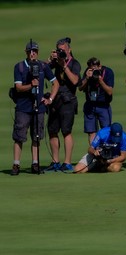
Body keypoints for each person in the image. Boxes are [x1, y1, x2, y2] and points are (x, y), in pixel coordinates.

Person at [10, 41, 59, 176]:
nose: (33, 53)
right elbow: (18, 88)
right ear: (26, 52)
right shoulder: (19, 67)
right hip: (23, 107)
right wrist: (31, 85)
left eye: (35, 51)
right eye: (30, 51)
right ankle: (16, 164)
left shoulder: (43, 66)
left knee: (37, 137)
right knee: (19, 136)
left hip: (39, 107)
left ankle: (35, 163)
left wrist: (50, 99)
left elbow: (55, 83)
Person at [45, 37, 81, 172]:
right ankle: (55, 161)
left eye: (63, 50)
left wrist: (64, 65)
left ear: (69, 50)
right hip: (55, 100)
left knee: (66, 131)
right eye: (59, 50)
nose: (61, 53)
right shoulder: (55, 63)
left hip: (68, 101)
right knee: (52, 131)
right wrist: (50, 60)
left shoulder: (74, 63)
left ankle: (67, 162)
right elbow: (44, 70)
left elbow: (75, 81)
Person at [78, 57, 115, 145]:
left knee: (106, 131)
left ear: (100, 66)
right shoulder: (88, 72)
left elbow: (109, 92)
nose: (93, 70)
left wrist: (100, 80)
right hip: (90, 105)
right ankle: (93, 152)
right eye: (91, 68)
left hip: (103, 105)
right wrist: (87, 78)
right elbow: (80, 88)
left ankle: (105, 153)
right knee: (91, 131)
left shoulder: (108, 72)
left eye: (95, 68)